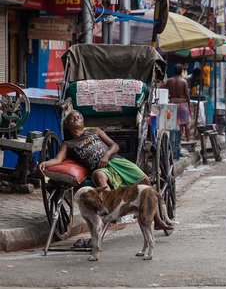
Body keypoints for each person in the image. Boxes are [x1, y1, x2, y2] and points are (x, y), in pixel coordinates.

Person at [38, 110, 173, 231]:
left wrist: (106, 156)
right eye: (72, 117)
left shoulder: (95, 131)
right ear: (67, 125)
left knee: (145, 181)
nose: (76, 117)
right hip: (101, 169)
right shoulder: (68, 144)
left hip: (116, 160)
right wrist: (45, 163)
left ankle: (157, 220)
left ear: (83, 121)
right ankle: (111, 210)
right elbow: (58, 160)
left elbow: (114, 145)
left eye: (79, 116)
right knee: (98, 175)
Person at [163, 63, 191, 142]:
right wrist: (189, 106)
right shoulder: (184, 82)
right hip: (182, 104)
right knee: (186, 124)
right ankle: (188, 141)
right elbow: (187, 95)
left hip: (171, 104)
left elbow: (162, 88)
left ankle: (172, 141)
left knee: (170, 124)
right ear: (181, 71)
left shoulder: (169, 81)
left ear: (174, 71)